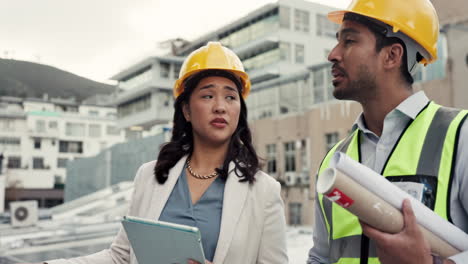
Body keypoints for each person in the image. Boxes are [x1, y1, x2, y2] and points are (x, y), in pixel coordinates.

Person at [45, 42, 288, 264]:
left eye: (230, 97)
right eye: (207, 95)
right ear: (187, 111)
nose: (220, 107)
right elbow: (120, 256)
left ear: (239, 110)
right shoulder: (150, 176)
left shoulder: (264, 191)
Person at [307, 0, 468, 264]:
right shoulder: (334, 159)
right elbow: (321, 257)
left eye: (349, 41)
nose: (333, 54)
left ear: (392, 56)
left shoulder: (460, 135)